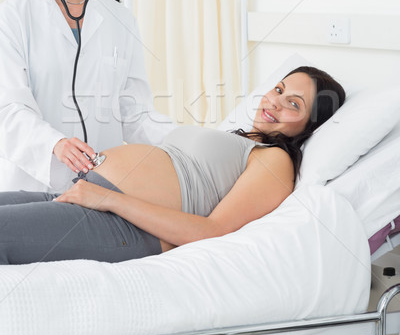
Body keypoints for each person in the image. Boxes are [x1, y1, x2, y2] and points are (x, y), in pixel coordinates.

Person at [0, 66, 345, 265]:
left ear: (309, 125)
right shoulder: (242, 141)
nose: (275, 102)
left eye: (293, 104)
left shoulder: (276, 161)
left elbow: (213, 231)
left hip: (119, 226)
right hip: (86, 197)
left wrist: (109, 200)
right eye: (278, 89)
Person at [0, 0, 174, 194]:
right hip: (33, 183)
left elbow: (134, 111)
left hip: (102, 184)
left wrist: (183, 141)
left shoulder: (121, 19)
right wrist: (54, 143)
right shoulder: (13, 16)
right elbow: (9, 107)